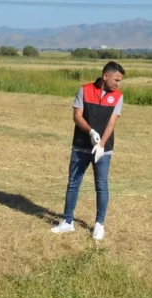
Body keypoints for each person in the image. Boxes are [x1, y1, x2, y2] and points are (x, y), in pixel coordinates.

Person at [51, 61, 124, 242]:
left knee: (101, 186)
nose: (118, 84)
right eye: (116, 79)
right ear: (106, 76)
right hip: (80, 146)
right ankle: (68, 221)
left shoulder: (118, 96)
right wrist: (91, 132)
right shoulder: (84, 90)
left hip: (103, 150)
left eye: (120, 81)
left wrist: (101, 144)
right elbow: (77, 116)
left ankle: (99, 224)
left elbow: (111, 123)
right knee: (73, 183)